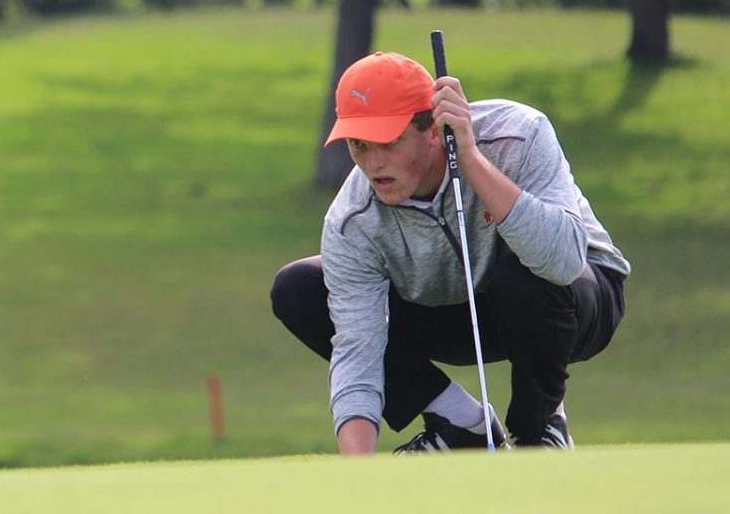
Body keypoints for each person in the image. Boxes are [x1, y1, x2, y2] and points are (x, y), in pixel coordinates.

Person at [270, 51, 630, 454]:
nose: (373, 164)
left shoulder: (518, 133)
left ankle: (540, 431)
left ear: (432, 128)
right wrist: (359, 475)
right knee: (298, 288)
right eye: (358, 145)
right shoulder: (353, 219)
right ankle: (461, 423)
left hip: (575, 299)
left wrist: (471, 158)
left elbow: (563, 262)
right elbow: (358, 350)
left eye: (388, 143)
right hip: (450, 310)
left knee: (521, 279)